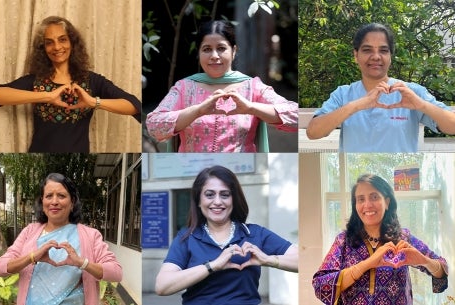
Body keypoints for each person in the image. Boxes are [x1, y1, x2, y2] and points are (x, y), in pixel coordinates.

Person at [0, 16, 141, 152]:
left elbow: (134, 105)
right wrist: (47, 96)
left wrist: (93, 102)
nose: (57, 47)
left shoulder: (91, 80)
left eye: (62, 39)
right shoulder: (36, 81)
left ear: (72, 43)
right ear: (43, 48)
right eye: (49, 42)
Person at [146, 20, 298, 152]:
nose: (214, 55)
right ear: (198, 53)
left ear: (234, 51)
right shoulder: (184, 88)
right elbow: (153, 126)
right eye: (206, 49)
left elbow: (296, 117)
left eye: (221, 48)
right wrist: (197, 111)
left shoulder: (253, 87)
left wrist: (251, 108)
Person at [155, 165, 298, 304]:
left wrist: (268, 259)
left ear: (233, 200)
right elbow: (162, 286)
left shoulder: (254, 233)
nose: (217, 201)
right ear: (199, 200)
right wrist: (213, 266)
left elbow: (304, 260)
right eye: (209, 195)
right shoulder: (187, 237)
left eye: (225, 195)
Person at [306, 23, 455, 152]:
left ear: (391, 56)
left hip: (401, 178)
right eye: (367, 50)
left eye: (383, 50)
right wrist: (355, 106)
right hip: (356, 174)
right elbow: (313, 132)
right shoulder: (343, 94)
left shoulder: (410, 92)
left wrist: (422, 105)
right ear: (356, 55)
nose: (376, 56)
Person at [312, 174, 448, 304]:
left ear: (387, 202)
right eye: (360, 199)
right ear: (355, 205)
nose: (367, 205)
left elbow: (442, 268)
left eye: (374, 197)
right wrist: (367, 264)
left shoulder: (403, 238)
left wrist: (424, 261)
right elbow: (320, 285)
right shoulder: (343, 241)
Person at [0, 173, 122, 305]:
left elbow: (116, 272)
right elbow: (0, 268)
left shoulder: (90, 235)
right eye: (49, 196)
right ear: (42, 202)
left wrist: (82, 263)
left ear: (72, 202)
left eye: (61, 196)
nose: (54, 201)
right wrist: (32, 257)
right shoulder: (30, 232)